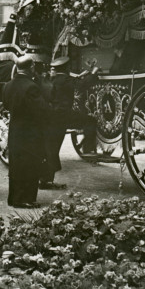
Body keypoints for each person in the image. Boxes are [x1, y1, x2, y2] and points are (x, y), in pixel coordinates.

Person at [42, 56, 99, 190]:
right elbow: (82, 85)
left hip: (51, 117)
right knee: (91, 120)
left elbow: (74, 82)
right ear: (67, 68)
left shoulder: (52, 79)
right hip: (63, 117)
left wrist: (82, 75)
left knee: (51, 147)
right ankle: (89, 148)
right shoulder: (66, 80)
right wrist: (93, 73)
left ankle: (45, 179)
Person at [2, 55, 51, 208]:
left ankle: (14, 198)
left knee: (16, 166)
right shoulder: (31, 87)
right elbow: (42, 109)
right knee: (30, 165)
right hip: (30, 133)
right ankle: (26, 199)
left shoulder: (8, 85)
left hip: (15, 130)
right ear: (31, 68)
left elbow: (6, 105)